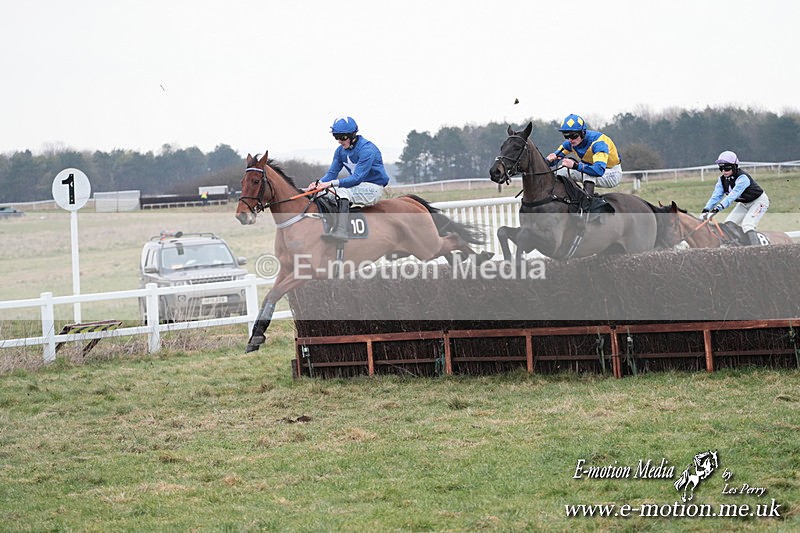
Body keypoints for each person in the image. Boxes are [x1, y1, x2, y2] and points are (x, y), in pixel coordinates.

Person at [305, 116, 390, 242]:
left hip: (373, 188)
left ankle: (342, 231)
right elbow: (332, 173)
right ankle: (327, 225)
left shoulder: (367, 150)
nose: (339, 141)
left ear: (353, 135)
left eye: (343, 137)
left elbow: (356, 178)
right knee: (321, 192)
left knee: (342, 191)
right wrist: (318, 184)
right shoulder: (340, 152)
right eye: (336, 137)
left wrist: (329, 184)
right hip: (357, 186)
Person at [544, 114, 623, 204]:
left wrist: (575, 166)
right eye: (566, 136)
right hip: (594, 171)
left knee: (587, 173)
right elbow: (551, 162)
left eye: (573, 136)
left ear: (583, 133)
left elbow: (599, 170)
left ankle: (587, 205)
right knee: (562, 171)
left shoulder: (598, 143)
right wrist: (548, 160)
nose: (570, 140)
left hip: (611, 173)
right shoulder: (570, 143)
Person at [700, 150, 769, 246]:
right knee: (728, 224)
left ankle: (756, 250)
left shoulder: (743, 178)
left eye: (727, 168)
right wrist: (706, 209)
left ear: (734, 167)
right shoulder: (721, 180)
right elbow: (716, 196)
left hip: (759, 202)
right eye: (721, 168)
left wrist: (716, 209)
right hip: (743, 204)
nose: (724, 171)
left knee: (747, 225)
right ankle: (740, 246)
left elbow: (732, 196)